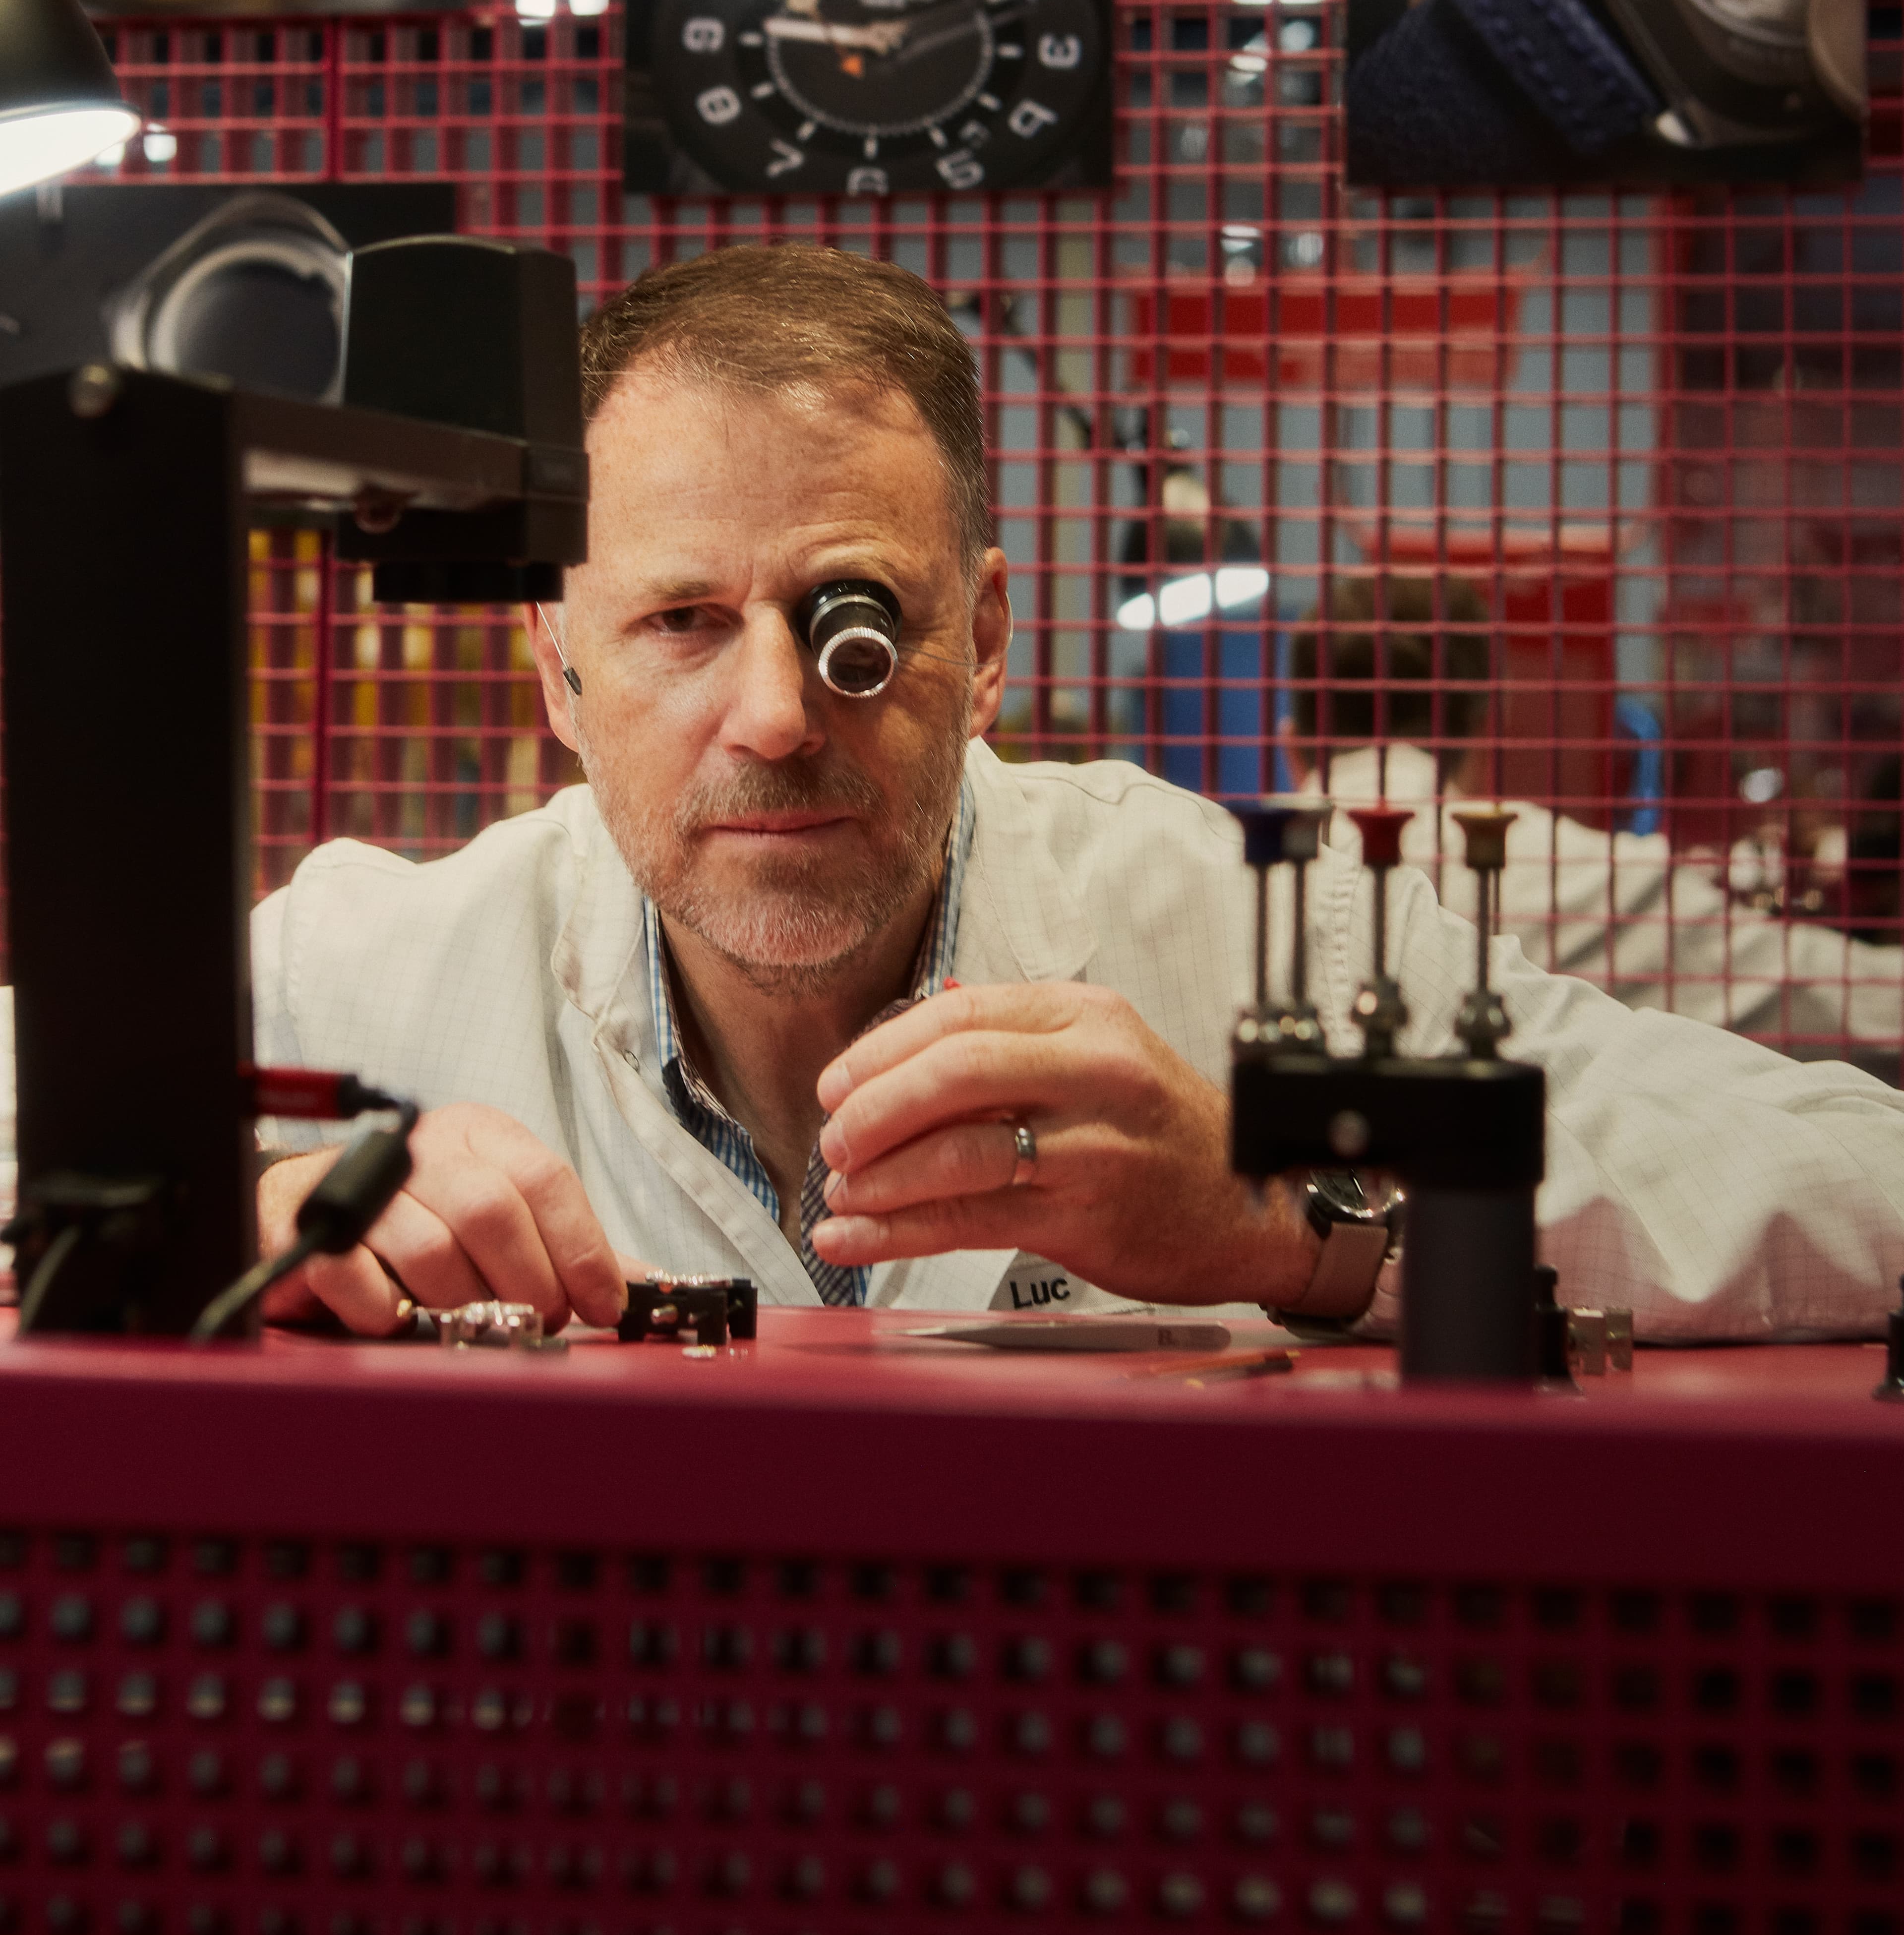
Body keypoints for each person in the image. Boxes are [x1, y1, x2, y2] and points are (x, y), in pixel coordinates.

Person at [231, 245, 1904, 1348]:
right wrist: (252, 1222)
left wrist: (1286, 1220)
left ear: (988, 642)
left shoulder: (1269, 939)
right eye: (680, 623)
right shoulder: (368, 967)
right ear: (557, 670)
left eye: (853, 621)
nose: (778, 716)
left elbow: (1866, 1171)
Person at [1287, 578, 1904, 1071]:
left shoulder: (1243, 875)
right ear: (1488, 719)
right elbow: (1854, 1003)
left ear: (1293, 745)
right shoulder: (1576, 879)